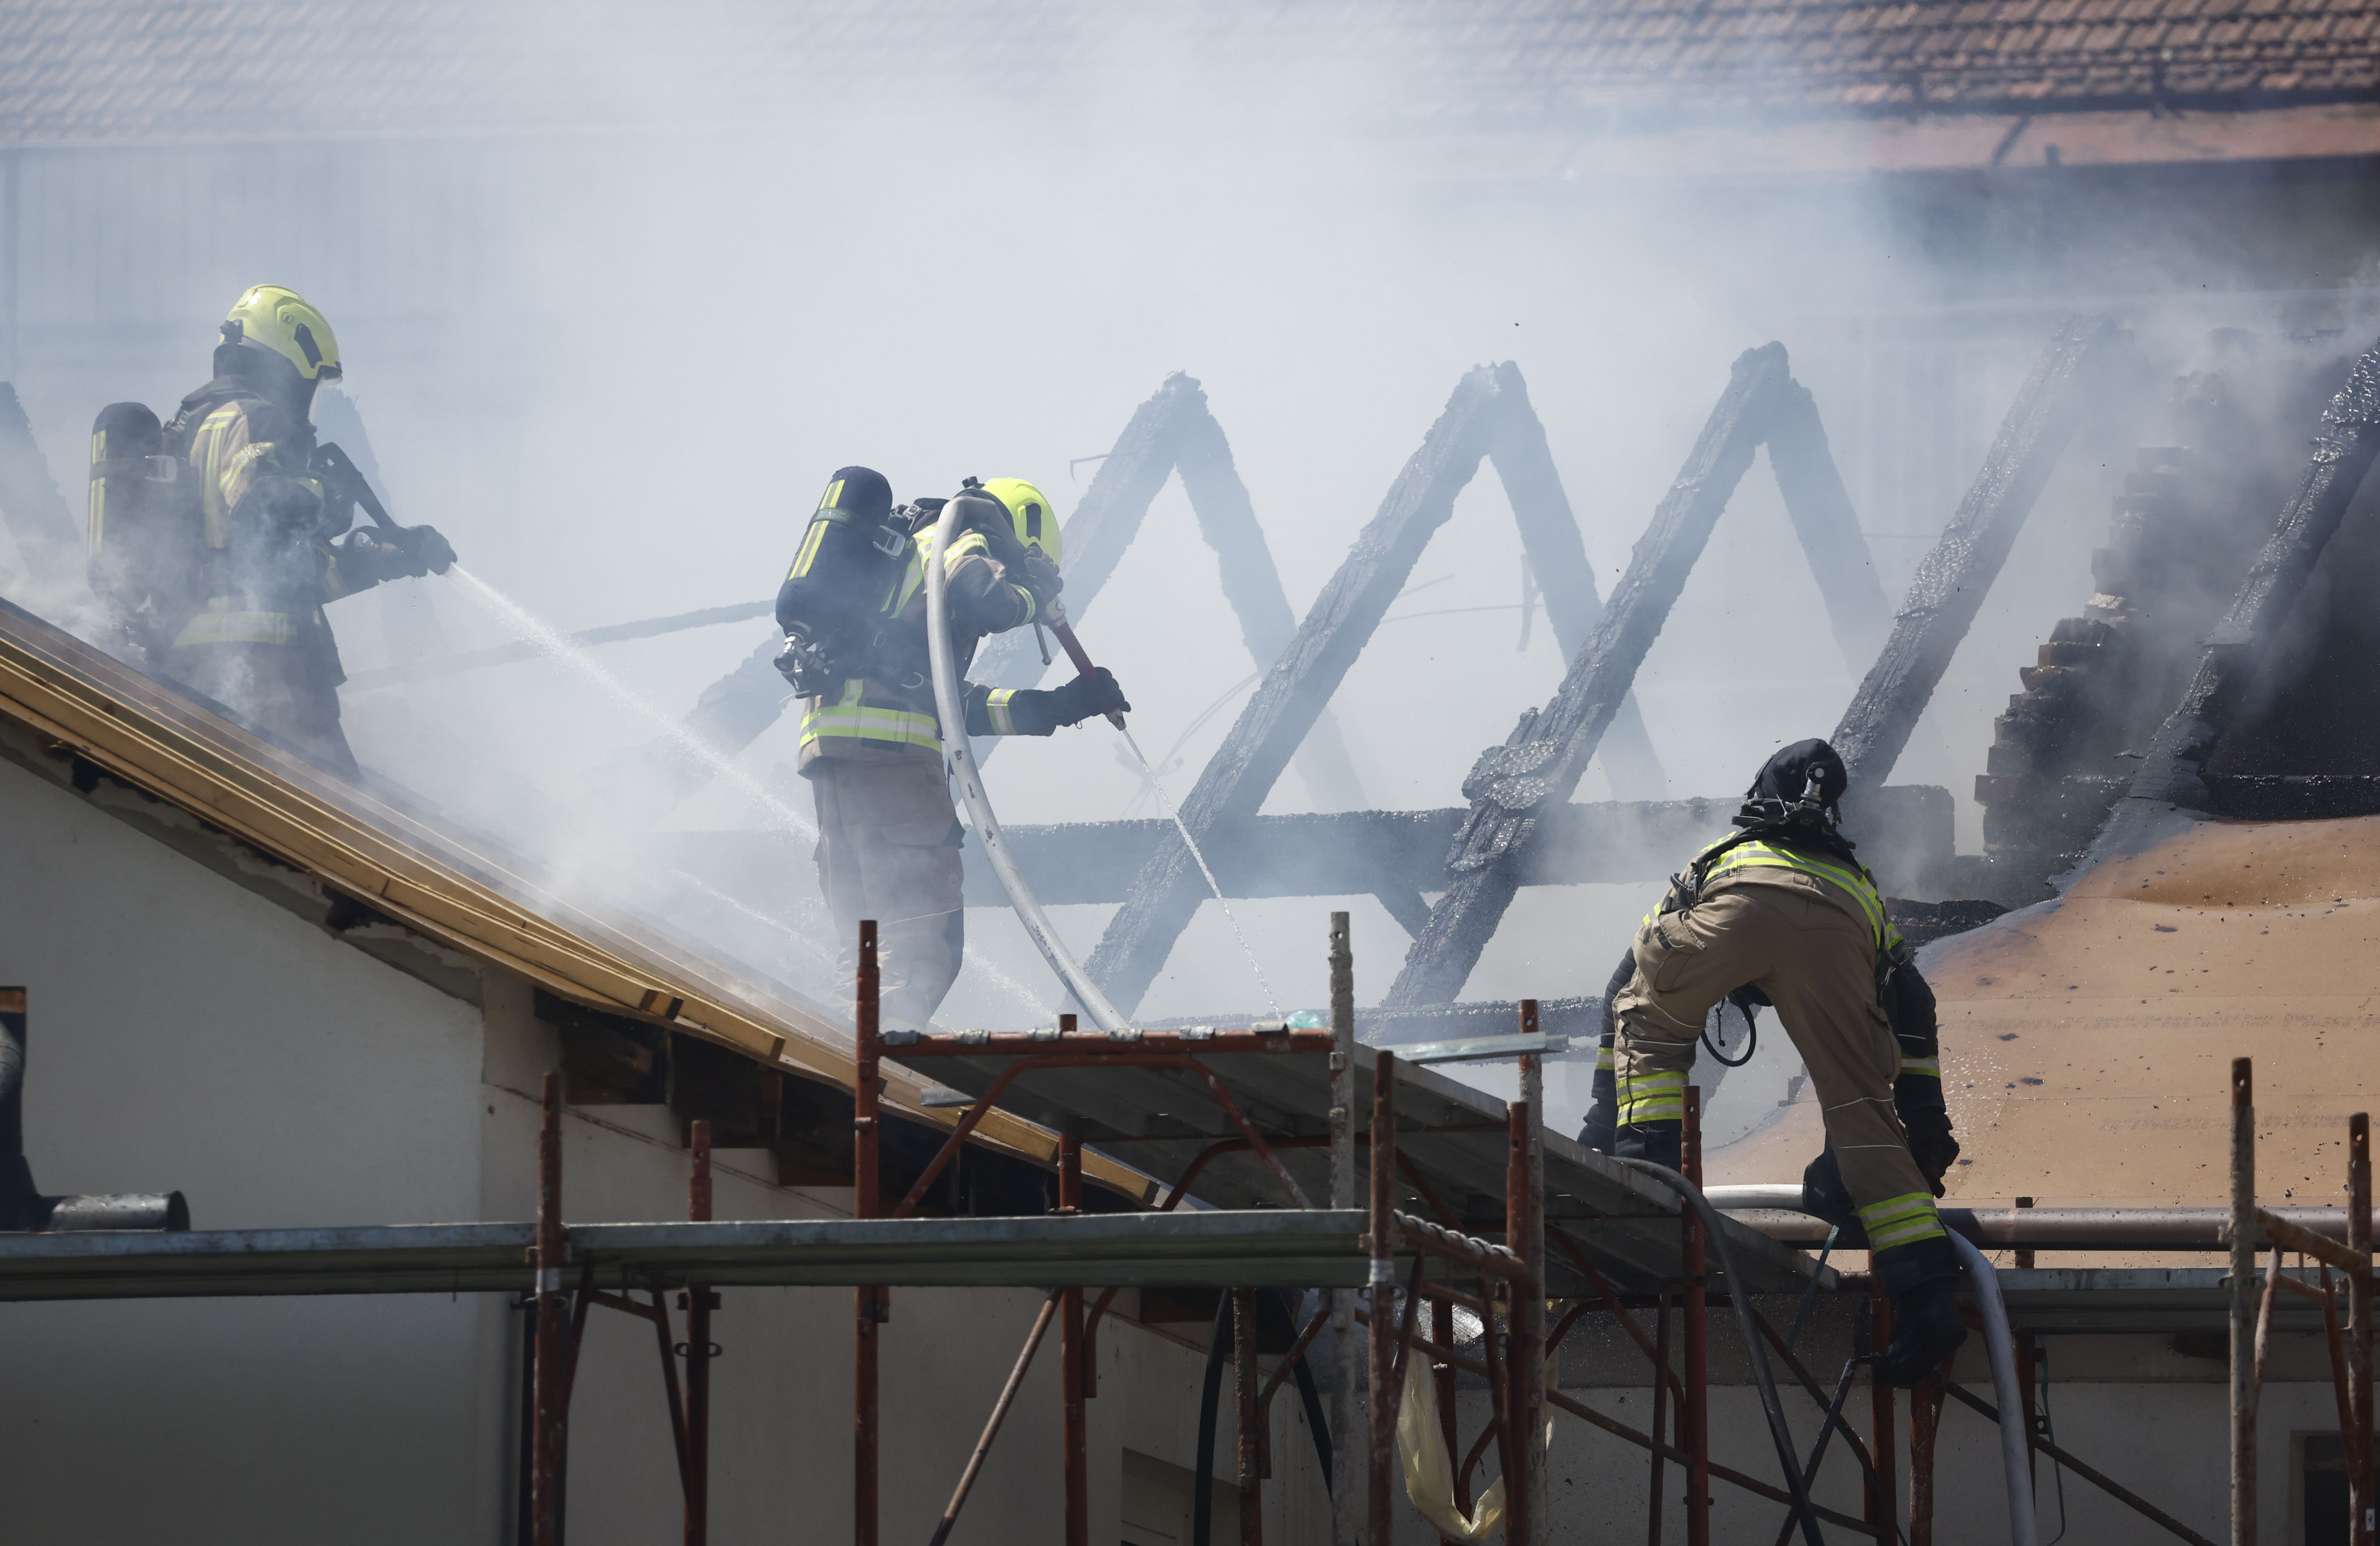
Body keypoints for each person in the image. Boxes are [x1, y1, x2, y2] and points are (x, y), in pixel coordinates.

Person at [1583, 739, 1965, 1386]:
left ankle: (1648, 1178)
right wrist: (1925, 1123)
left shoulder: (1724, 855)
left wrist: (1601, 1121)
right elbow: (1913, 999)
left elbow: (1629, 979)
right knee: (1861, 1108)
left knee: (1650, 1021)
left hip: (1736, 908)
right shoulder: (1859, 885)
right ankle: (1927, 1298)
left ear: (1759, 794)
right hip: (1838, 932)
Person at [775, 469, 1128, 1027]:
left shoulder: (904, 564)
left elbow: (941, 699)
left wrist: (1059, 707)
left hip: (835, 760)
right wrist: (1034, 593)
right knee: (920, 947)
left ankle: (832, 1055)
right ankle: (860, 1070)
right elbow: (984, 596)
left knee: (868, 949)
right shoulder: (963, 537)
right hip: (892, 764)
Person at [99, 286, 454, 776]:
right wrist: (326, 490)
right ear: (285, 368)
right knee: (336, 812)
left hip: (206, 675)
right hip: (267, 677)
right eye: (312, 384)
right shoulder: (254, 418)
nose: (310, 402)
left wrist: (379, 558)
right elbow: (261, 509)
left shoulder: (190, 428)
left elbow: (279, 568)